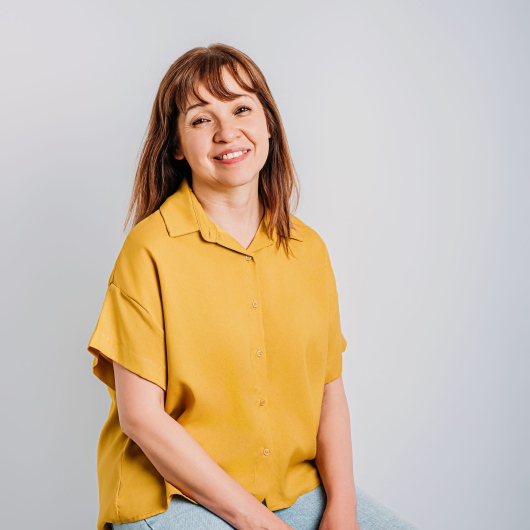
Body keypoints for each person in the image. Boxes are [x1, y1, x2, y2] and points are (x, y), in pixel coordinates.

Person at [87, 43, 418, 530]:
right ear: (176, 144)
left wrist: (342, 508)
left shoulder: (308, 249)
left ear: (268, 125)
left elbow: (329, 391)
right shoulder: (150, 249)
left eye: (241, 109)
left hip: (291, 489)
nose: (227, 132)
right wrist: (258, 522)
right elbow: (141, 418)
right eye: (201, 119)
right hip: (174, 495)